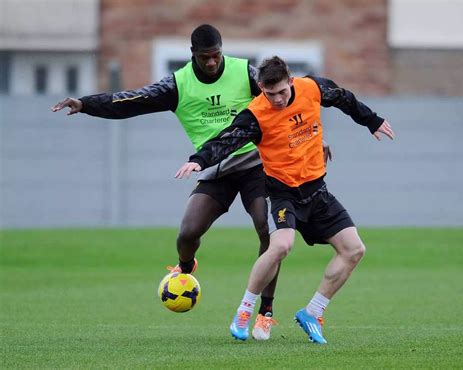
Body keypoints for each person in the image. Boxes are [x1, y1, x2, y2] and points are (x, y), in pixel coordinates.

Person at [53, 24, 296, 341]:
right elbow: (133, 100)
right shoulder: (178, 84)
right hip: (213, 168)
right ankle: (186, 265)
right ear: (193, 55)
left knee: (267, 229)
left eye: (216, 55)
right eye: (205, 57)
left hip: (255, 164)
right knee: (188, 232)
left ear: (222, 51)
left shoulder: (244, 73)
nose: (212, 62)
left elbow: (284, 102)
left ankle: (265, 312)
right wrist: (86, 104)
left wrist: (304, 140)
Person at [175, 56, 394, 343]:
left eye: (281, 91)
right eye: (270, 94)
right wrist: (199, 160)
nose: (277, 99)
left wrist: (372, 121)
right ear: (261, 89)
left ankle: (313, 312)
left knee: (354, 249)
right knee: (281, 246)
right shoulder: (255, 115)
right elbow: (226, 140)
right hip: (282, 194)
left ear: (291, 81)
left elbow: (343, 98)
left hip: (317, 191)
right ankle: (244, 311)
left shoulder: (312, 88)